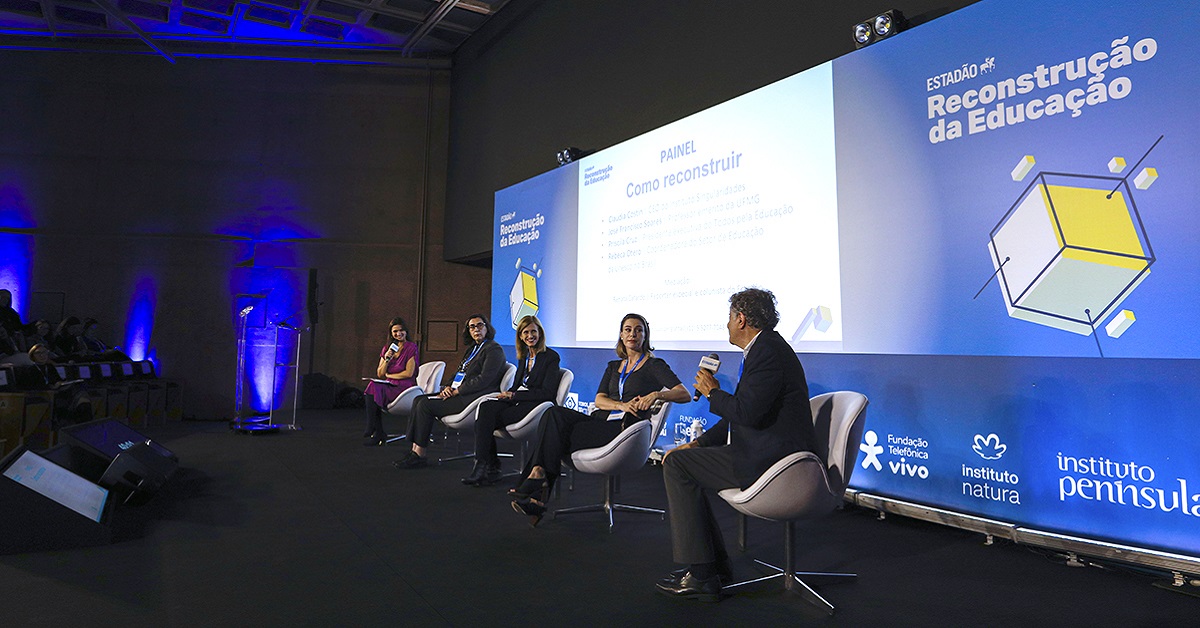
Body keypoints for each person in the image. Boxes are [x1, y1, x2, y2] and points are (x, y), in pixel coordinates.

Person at [655, 288, 816, 603]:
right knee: (684, 460)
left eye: (729, 317)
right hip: (764, 450)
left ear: (741, 319)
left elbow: (745, 412)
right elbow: (741, 415)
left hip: (774, 462)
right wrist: (698, 443)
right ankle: (713, 567)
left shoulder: (767, 352)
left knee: (676, 466)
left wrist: (713, 391)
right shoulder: (765, 349)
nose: (727, 324)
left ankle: (702, 575)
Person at [509, 313, 690, 525]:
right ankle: (538, 483)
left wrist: (656, 394)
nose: (633, 334)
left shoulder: (654, 365)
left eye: (638, 330)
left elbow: (683, 394)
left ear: (645, 335)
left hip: (624, 429)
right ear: (621, 335)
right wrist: (620, 404)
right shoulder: (614, 366)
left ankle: (536, 482)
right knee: (553, 413)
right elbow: (599, 399)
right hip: (600, 422)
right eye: (628, 329)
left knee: (557, 433)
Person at [394, 313, 505, 469]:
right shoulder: (473, 349)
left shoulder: (493, 349)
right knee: (419, 399)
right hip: (459, 393)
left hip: (472, 398)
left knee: (425, 405)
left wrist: (457, 390)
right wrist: (447, 386)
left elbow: (485, 380)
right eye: (472, 327)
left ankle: (420, 454)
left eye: (480, 325)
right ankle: (414, 450)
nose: (476, 329)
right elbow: (459, 372)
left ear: (487, 327)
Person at [462, 315, 561, 486]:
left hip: (536, 405)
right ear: (521, 336)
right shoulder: (524, 356)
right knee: (486, 407)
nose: (530, 336)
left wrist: (514, 396)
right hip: (519, 400)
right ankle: (485, 465)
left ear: (540, 333)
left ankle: (489, 468)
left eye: (533, 332)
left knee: (487, 420)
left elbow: (547, 393)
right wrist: (507, 394)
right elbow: (517, 385)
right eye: (526, 333)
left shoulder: (550, 357)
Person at [363, 317, 420, 446]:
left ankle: (375, 429)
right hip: (389, 385)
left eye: (401, 330)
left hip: (405, 387)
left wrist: (390, 375)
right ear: (391, 333)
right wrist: (387, 359)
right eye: (395, 331)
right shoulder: (387, 349)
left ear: (406, 331)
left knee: (374, 389)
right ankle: (376, 430)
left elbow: (409, 373)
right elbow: (380, 373)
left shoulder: (411, 347)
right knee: (372, 386)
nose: (398, 334)